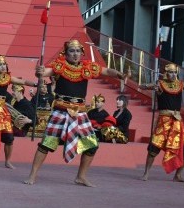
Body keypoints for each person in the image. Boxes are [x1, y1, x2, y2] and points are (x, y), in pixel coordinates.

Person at [24, 39, 129, 186]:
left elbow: (106, 71)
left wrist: (119, 74)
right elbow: (44, 72)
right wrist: (39, 71)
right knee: (46, 144)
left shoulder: (88, 67)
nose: (75, 54)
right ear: (65, 53)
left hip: (80, 113)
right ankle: (32, 175)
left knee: (92, 145)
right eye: (72, 51)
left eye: (78, 51)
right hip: (60, 111)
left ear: (82, 53)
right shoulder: (59, 65)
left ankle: (81, 176)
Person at [140, 63, 184, 182]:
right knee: (154, 147)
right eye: (171, 72)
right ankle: (146, 173)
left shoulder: (180, 85)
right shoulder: (160, 84)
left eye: (175, 72)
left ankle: (178, 175)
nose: (173, 74)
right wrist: (148, 86)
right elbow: (143, 86)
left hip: (177, 121)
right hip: (164, 121)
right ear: (166, 73)